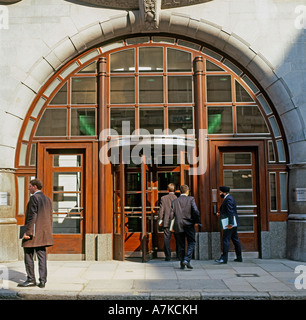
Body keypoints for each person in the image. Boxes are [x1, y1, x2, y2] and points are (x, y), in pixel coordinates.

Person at [18, 179, 53, 288]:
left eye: (30, 186)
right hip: (43, 233)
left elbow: (32, 216)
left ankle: (31, 279)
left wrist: (27, 232)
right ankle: (43, 281)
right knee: (42, 257)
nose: (29, 188)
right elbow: (49, 217)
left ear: (35, 187)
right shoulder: (48, 199)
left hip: (33, 234)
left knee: (28, 255)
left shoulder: (34, 198)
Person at [170, 184, 200, 270]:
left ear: (179, 191)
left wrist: (171, 226)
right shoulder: (191, 199)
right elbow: (195, 211)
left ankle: (182, 264)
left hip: (178, 225)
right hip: (189, 224)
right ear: (188, 191)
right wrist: (197, 221)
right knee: (192, 242)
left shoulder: (175, 201)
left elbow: (171, 215)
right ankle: (187, 260)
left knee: (181, 245)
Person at [215, 186, 242, 264]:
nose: (219, 194)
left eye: (220, 192)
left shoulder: (228, 199)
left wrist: (230, 224)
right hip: (233, 223)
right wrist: (220, 212)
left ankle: (224, 258)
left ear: (224, 193)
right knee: (235, 239)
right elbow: (228, 210)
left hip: (229, 223)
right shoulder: (229, 198)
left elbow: (230, 212)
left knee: (225, 240)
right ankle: (239, 257)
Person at [158, 183, 178, 261]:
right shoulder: (177, 198)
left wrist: (160, 220)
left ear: (167, 190)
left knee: (167, 239)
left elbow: (161, 210)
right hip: (175, 221)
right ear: (175, 190)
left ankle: (168, 256)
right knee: (178, 239)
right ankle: (179, 255)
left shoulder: (163, 198)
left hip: (166, 221)